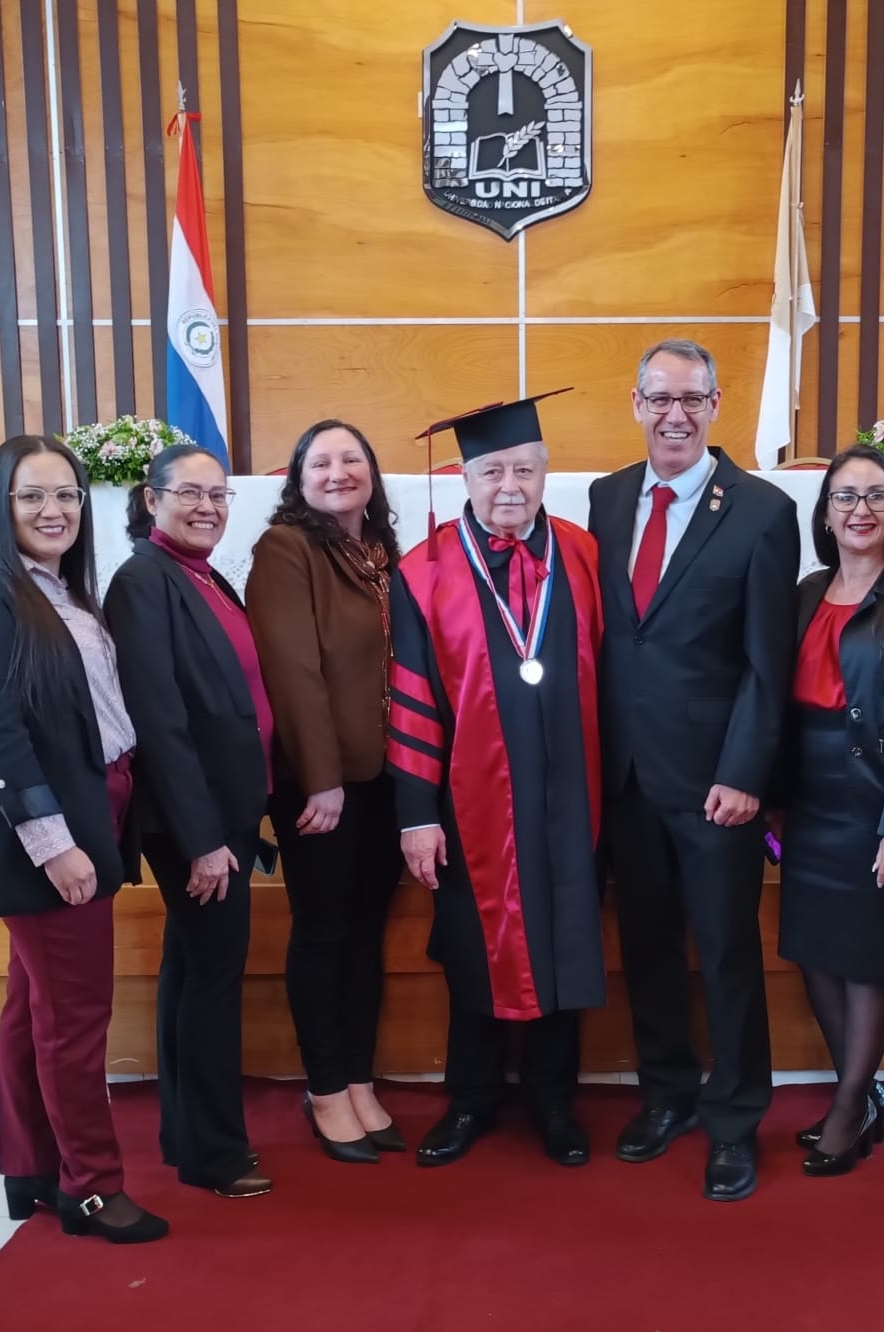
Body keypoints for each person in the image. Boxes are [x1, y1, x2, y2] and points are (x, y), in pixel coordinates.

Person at [0, 435, 167, 1244]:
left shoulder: (59, 591)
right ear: (1, 505)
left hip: (90, 813)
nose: (53, 510)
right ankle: (91, 1190)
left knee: (33, 1007)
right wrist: (54, 843)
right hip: (49, 832)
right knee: (75, 1017)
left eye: (65, 494)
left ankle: (27, 1168)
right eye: (32, 496)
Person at [588, 338, 800, 1202]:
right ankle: (667, 1093)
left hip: (717, 784)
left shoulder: (758, 509)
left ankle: (734, 1120)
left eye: (692, 399)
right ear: (635, 404)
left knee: (724, 957)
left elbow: (766, 662)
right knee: (643, 949)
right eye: (659, 398)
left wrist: (746, 771)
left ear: (714, 407)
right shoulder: (602, 501)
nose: (674, 414)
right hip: (626, 780)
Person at [389, 392, 606, 1168]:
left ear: (545, 472)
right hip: (468, 802)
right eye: (490, 470)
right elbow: (411, 698)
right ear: (464, 478)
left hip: (573, 795)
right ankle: (471, 1098)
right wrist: (417, 814)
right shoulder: (423, 571)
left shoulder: (583, 555)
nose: (507, 484)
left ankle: (553, 1101)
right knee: (474, 948)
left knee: (563, 938)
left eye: (522, 467)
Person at [776, 443, 884, 1175]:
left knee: (865, 957)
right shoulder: (805, 593)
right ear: (824, 513)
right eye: (844, 497)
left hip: (877, 797)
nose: (860, 510)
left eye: (875, 495)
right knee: (815, 950)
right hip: (807, 803)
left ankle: (849, 1106)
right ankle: (862, 1093)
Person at [103, 445, 273, 1199]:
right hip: (194, 826)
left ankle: (187, 1135)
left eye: (218, 494)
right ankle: (213, 1152)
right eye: (190, 494)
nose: (207, 506)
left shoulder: (199, 574)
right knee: (211, 980)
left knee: (192, 971)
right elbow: (159, 720)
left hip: (223, 815)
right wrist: (204, 840)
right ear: (151, 498)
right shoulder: (144, 581)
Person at [245, 420, 405, 1164]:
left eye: (351, 458)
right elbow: (293, 671)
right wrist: (324, 781)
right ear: (298, 478)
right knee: (322, 932)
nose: (338, 471)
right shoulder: (286, 550)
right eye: (321, 461)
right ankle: (325, 1088)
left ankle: (359, 1077)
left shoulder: (379, 553)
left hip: (382, 780)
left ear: (371, 471)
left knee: (365, 933)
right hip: (322, 788)